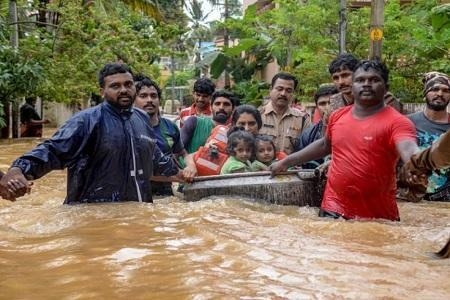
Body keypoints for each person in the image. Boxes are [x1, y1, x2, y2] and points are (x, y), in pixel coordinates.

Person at [0, 63, 181, 204]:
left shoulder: (141, 119)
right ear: (102, 91)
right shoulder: (87, 121)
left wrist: (183, 173)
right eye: (115, 86)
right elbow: (52, 150)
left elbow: (154, 158)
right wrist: (18, 170)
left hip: (138, 213)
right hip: (94, 215)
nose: (124, 89)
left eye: (128, 84)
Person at [270, 59, 420, 221]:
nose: (366, 84)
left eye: (374, 80)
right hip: (332, 207)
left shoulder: (398, 122)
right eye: (360, 80)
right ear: (353, 86)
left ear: (386, 88)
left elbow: (409, 149)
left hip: (378, 216)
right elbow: (324, 145)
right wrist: (286, 162)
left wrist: (421, 162)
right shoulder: (337, 115)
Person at [133, 74, 196, 196]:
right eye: (143, 96)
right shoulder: (129, 129)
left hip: (166, 193)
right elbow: (139, 171)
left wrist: (191, 166)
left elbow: (182, 153)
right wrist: (179, 176)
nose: (149, 100)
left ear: (159, 100)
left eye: (153, 96)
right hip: (139, 193)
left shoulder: (169, 126)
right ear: (134, 101)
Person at [407, 71, 450, 201]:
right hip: (412, 197)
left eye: (446, 90)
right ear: (425, 93)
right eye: (435, 89)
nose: (440, 94)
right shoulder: (407, 123)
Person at [259, 72, 310, 155]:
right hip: (263, 167)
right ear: (270, 90)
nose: (283, 94)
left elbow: (308, 148)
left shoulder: (303, 119)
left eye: (288, 90)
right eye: (279, 89)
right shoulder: (257, 116)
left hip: (292, 167)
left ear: (293, 94)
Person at [180, 90, 236, 157]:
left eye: (226, 104)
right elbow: (177, 150)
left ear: (233, 108)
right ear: (211, 107)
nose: (221, 107)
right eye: (217, 104)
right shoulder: (194, 122)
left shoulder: (235, 132)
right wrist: (190, 164)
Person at [294, 84, 338, 168]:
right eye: (322, 104)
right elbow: (302, 165)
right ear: (317, 107)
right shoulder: (308, 133)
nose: (327, 107)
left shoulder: (351, 128)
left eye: (331, 102)